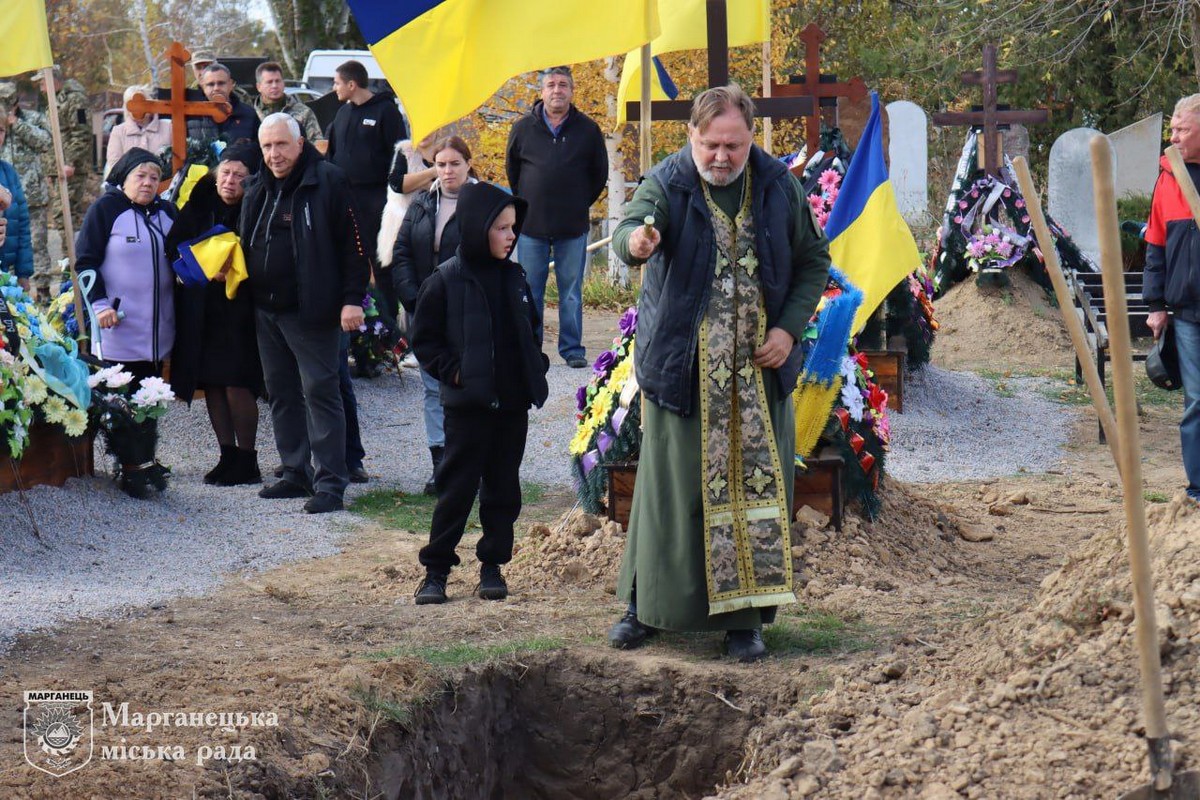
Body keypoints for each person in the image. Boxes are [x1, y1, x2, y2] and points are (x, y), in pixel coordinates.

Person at [606, 85, 831, 662]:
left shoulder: (779, 185)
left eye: (733, 144)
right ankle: (645, 607)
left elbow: (813, 260)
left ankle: (746, 621)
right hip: (684, 371)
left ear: (751, 136)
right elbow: (635, 225)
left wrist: (786, 330)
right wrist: (638, 240)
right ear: (692, 137)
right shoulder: (668, 181)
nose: (721, 157)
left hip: (758, 376)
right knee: (669, 493)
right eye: (711, 145)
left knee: (752, 492)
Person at [410, 181, 549, 604]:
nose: (512, 236)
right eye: (502, 228)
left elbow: (532, 328)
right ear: (477, 228)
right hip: (468, 408)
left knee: (503, 488)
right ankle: (435, 572)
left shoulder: (516, 278)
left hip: (511, 406)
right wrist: (454, 374)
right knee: (457, 489)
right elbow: (425, 340)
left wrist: (533, 367)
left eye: (513, 228)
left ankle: (492, 565)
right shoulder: (446, 280)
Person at [240, 113, 369, 514]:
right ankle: (296, 471)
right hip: (266, 308)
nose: (274, 154)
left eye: (281, 145)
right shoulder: (257, 186)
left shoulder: (327, 180)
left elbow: (354, 244)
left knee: (320, 392)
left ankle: (331, 482)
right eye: (267, 146)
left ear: (299, 144)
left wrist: (352, 298)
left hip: (311, 309)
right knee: (281, 392)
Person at [76, 148, 178, 497]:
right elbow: (85, 263)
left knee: (151, 397)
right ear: (124, 178)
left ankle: (145, 458)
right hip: (118, 326)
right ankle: (129, 466)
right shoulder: (107, 209)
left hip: (157, 330)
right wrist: (100, 304)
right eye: (141, 176)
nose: (148, 182)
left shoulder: (166, 212)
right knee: (121, 398)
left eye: (154, 177)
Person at [165, 142, 263, 486]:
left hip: (239, 308)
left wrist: (233, 266)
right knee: (213, 384)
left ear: (250, 179)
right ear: (215, 173)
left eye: (239, 175)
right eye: (225, 173)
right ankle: (227, 455)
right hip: (203, 307)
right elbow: (175, 244)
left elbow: (265, 251)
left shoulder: (257, 203)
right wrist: (202, 265)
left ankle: (248, 459)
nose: (230, 181)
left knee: (237, 381)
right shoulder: (201, 200)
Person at [505, 65, 607, 368]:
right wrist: (528, 203)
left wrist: (576, 202)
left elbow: (598, 175)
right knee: (530, 291)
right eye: (551, 85)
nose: (557, 90)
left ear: (572, 91)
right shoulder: (522, 128)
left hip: (572, 226)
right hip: (531, 226)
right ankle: (530, 348)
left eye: (563, 85)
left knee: (571, 293)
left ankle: (572, 349)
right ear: (542, 92)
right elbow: (514, 172)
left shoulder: (588, 129)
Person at [392, 135, 476, 494]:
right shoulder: (423, 204)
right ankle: (440, 464)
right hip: (426, 310)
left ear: (468, 165)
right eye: (440, 164)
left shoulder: (484, 203)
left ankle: (469, 463)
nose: (447, 171)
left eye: (454, 164)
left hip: (468, 311)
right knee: (432, 389)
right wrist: (413, 297)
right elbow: (402, 252)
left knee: (468, 385)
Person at [1146, 93, 1200, 505]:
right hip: (1186, 312)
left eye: (1182, 128)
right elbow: (1156, 248)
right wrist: (1155, 305)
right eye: (1173, 128)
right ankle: (1198, 491)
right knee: (1196, 401)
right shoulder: (1168, 178)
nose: (1174, 135)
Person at [326, 59, 406, 319]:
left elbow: (398, 156)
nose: (333, 88)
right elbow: (332, 154)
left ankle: (389, 322)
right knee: (346, 255)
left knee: (380, 260)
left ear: (352, 84)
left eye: (336, 83)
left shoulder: (386, 111)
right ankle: (355, 318)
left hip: (376, 199)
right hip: (344, 197)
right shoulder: (342, 113)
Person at [0, 81, 52, 301]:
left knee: (35, 239)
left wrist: (24, 274)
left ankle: (43, 287)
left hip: (30, 192)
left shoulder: (30, 118)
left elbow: (45, 141)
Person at [34, 68, 93, 232]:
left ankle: (72, 255)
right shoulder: (54, 100)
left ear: (54, 80)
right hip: (57, 167)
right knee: (62, 214)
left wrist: (70, 162)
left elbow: (83, 132)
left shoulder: (76, 100)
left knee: (65, 213)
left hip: (71, 168)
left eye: (42, 81)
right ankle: (69, 255)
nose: (40, 86)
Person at [105, 84, 173, 178]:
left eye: (141, 102)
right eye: (132, 103)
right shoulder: (118, 132)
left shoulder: (168, 127)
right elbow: (115, 165)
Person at [251, 62, 323, 144]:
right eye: (269, 82)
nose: (274, 86)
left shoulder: (303, 112)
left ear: (283, 83)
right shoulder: (250, 114)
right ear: (258, 87)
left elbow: (317, 145)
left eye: (278, 81)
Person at [189, 63, 259, 145]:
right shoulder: (190, 116)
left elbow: (258, 148)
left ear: (231, 84)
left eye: (221, 83)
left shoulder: (249, 114)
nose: (216, 88)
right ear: (203, 87)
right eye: (211, 84)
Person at [0, 119, 32, 288]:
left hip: (4, 274)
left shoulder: (9, 173)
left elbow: (22, 224)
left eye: (1, 130)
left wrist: (23, 273)